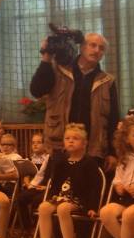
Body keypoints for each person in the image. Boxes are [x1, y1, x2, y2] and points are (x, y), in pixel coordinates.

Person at [30, 32, 119, 166]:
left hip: (94, 150)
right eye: (93, 45)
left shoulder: (107, 81)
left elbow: (113, 119)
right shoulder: (58, 70)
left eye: (101, 48)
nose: (97, 50)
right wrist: (46, 57)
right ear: (82, 47)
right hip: (59, 148)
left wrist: (113, 153)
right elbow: (36, 91)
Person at [35, 124, 103, 238]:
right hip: (61, 197)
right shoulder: (61, 162)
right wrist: (51, 198)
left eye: (75, 138)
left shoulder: (89, 163)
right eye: (67, 138)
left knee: (63, 208)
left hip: (80, 200)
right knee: (43, 208)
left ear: (84, 143)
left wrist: (93, 207)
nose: (71, 141)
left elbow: (94, 188)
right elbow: (55, 185)